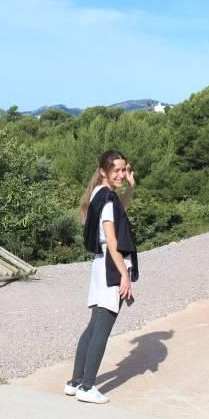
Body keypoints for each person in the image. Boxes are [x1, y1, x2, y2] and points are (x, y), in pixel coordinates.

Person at [65, 150, 138, 404]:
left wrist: (131, 187)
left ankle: (75, 382)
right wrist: (124, 277)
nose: (120, 174)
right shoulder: (107, 199)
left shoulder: (100, 194)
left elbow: (119, 210)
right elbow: (113, 242)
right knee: (102, 329)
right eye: (116, 170)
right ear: (103, 171)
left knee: (94, 325)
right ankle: (87, 386)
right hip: (111, 268)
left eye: (123, 169)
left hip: (100, 267)